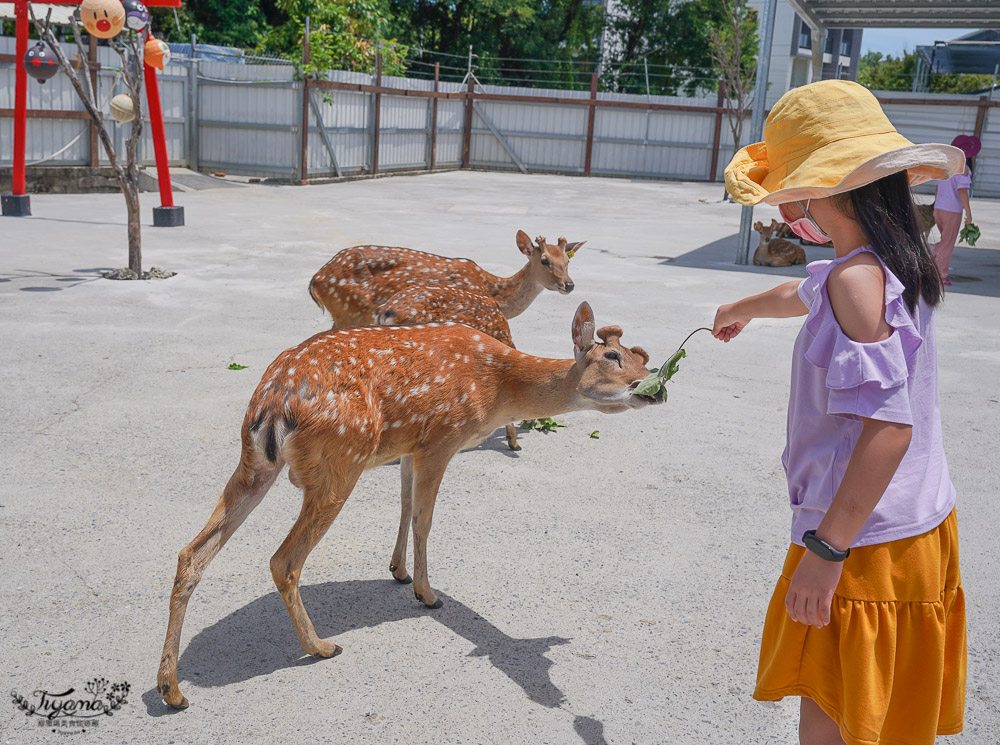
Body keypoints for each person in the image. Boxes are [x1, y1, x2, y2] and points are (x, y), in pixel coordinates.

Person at [716, 80, 966, 745]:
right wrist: (740, 308)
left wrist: (826, 551)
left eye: (798, 187)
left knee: (830, 719)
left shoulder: (856, 281)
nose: (793, 204)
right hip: (916, 526)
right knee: (882, 714)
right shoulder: (892, 263)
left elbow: (889, 427)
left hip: (860, 538)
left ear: (827, 188)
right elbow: (804, 291)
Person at [932, 134, 980, 285]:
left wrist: (936, 205)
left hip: (938, 209)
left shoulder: (946, 166)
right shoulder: (963, 168)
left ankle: (931, 270)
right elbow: (962, 190)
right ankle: (940, 276)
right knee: (947, 244)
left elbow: (937, 189)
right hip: (952, 211)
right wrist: (968, 213)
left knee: (943, 242)